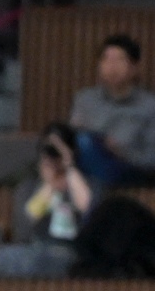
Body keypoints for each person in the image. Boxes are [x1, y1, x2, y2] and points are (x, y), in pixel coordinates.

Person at [0, 121, 98, 277]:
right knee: (3, 256)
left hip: (72, 249)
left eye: (59, 149)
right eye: (48, 149)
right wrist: (50, 185)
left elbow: (87, 208)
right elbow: (27, 221)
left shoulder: (86, 185)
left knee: (39, 262)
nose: (53, 155)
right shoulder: (29, 187)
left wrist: (69, 166)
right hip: (37, 246)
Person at [65, 33, 155, 185]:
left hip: (127, 168)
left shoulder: (149, 106)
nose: (112, 66)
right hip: (85, 162)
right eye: (106, 59)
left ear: (134, 68)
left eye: (119, 60)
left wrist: (121, 152)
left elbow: (152, 158)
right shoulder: (85, 100)